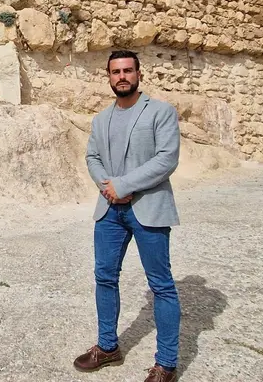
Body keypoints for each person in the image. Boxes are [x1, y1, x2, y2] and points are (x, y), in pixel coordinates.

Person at [73, 50, 182, 382]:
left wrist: (124, 184)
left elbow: (167, 159)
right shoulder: (101, 119)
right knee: (105, 278)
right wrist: (108, 187)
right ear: (108, 76)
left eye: (127, 71)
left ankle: (166, 364)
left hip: (148, 208)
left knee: (161, 286)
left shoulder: (161, 112)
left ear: (139, 74)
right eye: (115, 72)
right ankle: (108, 347)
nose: (122, 76)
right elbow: (92, 156)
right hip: (109, 210)